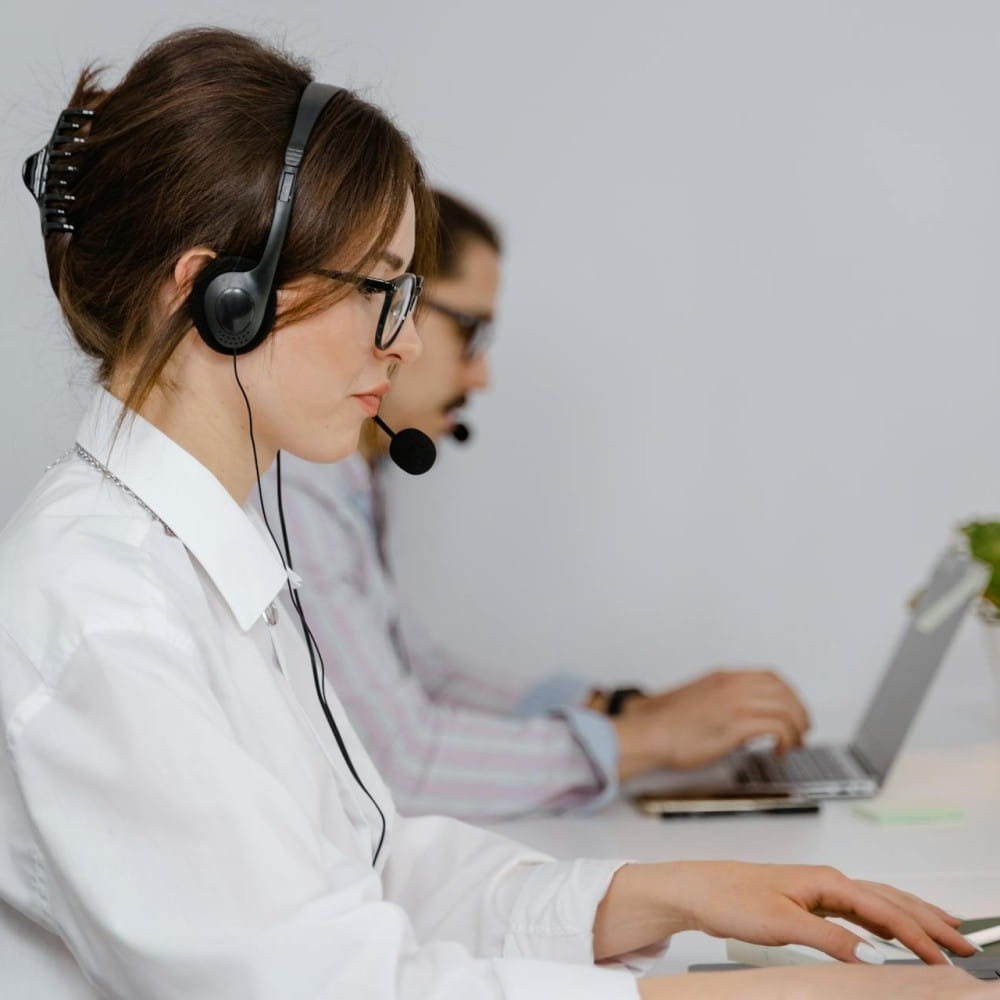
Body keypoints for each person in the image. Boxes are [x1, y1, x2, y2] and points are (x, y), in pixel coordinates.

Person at [0, 26, 985, 1000]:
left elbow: (370, 868)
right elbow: (323, 986)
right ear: (218, 297)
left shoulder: (207, 555)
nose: (400, 343)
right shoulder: (105, 618)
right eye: (379, 291)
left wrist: (672, 892)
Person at [271, 190, 814, 820]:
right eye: (470, 332)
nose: (481, 377)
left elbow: (419, 671)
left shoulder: (345, 478)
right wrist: (645, 739)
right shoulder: (293, 485)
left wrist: (618, 712)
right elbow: (400, 763)